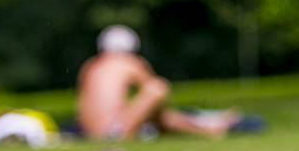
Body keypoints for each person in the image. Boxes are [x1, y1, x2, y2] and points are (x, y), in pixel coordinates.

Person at [77, 25, 242, 140]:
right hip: (113, 132)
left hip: (90, 132)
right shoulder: (129, 62)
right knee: (158, 89)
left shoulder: (90, 66)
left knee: (156, 113)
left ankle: (206, 127)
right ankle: (207, 127)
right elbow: (155, 91)